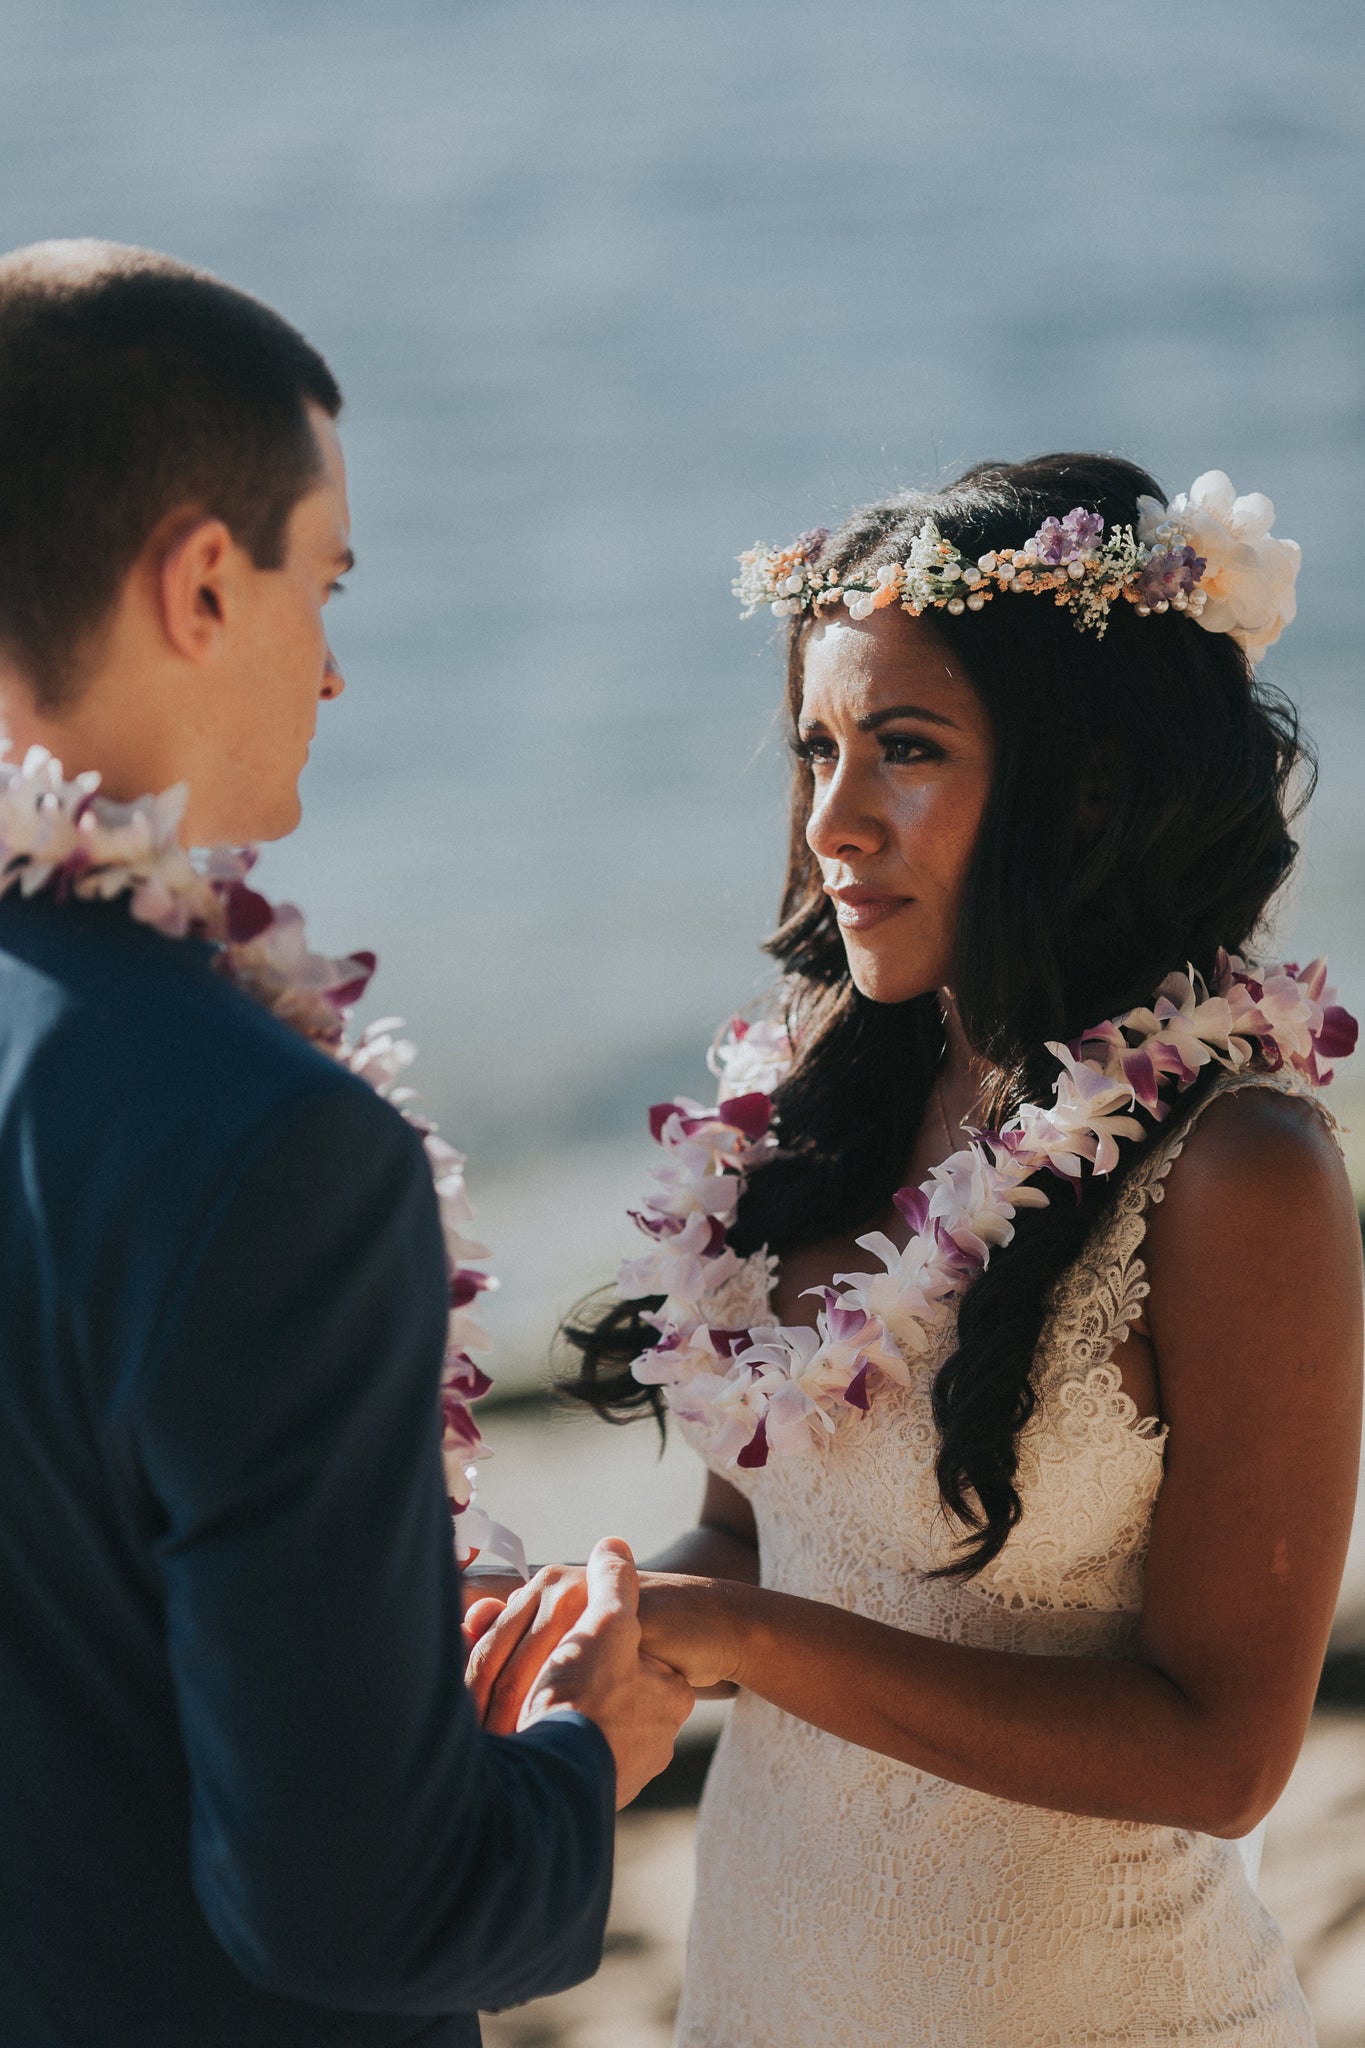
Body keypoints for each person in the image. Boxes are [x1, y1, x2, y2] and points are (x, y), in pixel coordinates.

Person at [468, 454, 1363, 2045]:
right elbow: (754, 1550)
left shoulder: (1238, 1175)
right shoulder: (823, 1104)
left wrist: (742, 1641)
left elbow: (1225, 1759)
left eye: (906, 749)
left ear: (1082, 780)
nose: (830, 819)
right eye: (817, 747)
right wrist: (568, 1611)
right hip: (765, 1981)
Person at [0, 238, 692, 2048]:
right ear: (203, 583)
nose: (335, 668)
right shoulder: (264, 1147)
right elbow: (352, 1909)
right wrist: (570, 1762)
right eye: (329, 581)